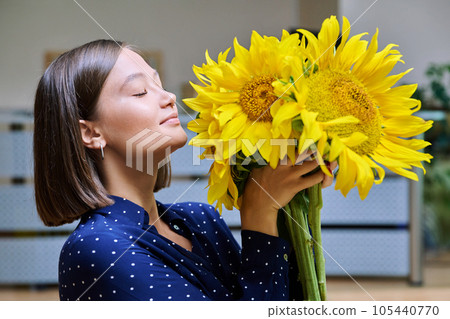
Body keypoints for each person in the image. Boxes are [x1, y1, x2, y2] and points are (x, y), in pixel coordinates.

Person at [33, 39, 336, 301]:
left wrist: (293, 202)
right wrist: (258, 210)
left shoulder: (200, 221)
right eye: (140, 91)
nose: (169, 98)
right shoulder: (96, 248)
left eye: (159, 84)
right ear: (90, 133)